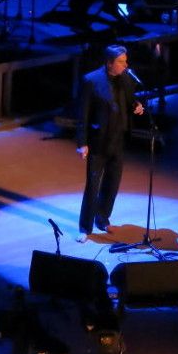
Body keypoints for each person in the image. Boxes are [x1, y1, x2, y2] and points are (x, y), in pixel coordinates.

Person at [76, 45, 144, 242]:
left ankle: (103, 218)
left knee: (112, 183)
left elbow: (131, 100)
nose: (126, 64)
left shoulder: (126, 79)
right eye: (121, 61)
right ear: (109, 63)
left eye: (126, 60)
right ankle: (85, 227)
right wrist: (82, 142)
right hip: (98, 142)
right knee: (93, 186)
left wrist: (137, 106)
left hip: (118, 140)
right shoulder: (91, 80)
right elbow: (83, 114)